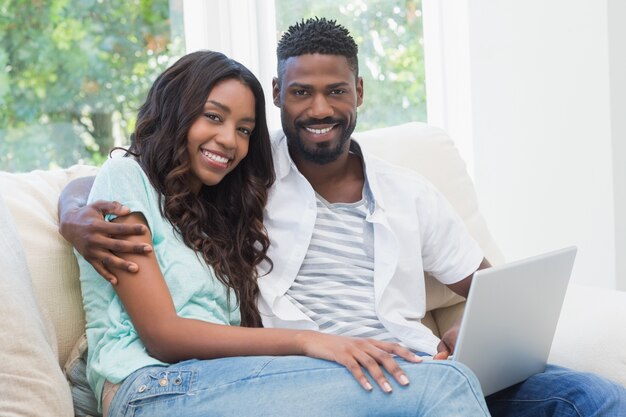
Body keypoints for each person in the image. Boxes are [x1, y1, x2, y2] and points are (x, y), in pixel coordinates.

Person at [59, 19, 626, 416]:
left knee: (598, 400)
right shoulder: (249, 176)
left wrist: (472, 327)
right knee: (442, 389)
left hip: (416, 362)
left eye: (336, 91)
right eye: (301, 92)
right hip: (317, 374)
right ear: (280, 94)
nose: (320, 108)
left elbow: (487, 287)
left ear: (359, 91)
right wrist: (73, 210)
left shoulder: (409, 192)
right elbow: (134, 173)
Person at [66, 49, 491, 417]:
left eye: (245, 130)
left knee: (438, 381)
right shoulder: (125, 179)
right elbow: (163, 336)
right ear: (177, 111)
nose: (229, 140)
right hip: (149, 390)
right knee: (443, 384)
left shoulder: (217, 211)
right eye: (213, 117)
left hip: (224, 382)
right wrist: (310, 342)